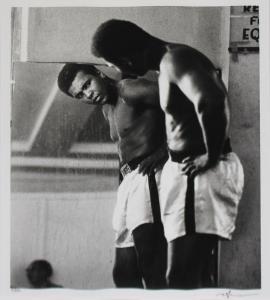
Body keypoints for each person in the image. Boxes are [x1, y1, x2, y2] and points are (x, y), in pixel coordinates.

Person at [91, 19, 244, 289]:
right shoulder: (168, 65)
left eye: (114, 64)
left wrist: (210, 154)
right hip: (186, 174)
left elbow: (212, 101)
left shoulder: (176, 59)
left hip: (199, 172)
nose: (117, 71)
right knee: (181, 277)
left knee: (181, 277)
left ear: (127, 57)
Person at [57, 63, 168, 289]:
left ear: (98, 73)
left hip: (150, 176)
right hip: (129, 182)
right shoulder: (106, 109)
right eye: (80, 95)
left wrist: (165, 151)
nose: (88, 94)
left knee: (151, 260)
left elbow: (187, 104)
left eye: (87, 84)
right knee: (123, 273)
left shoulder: (128, 89)